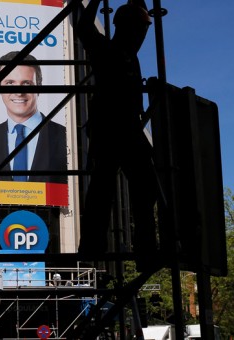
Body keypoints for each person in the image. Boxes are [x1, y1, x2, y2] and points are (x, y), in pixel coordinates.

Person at [76, 0, 159, 265]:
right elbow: (83, 28)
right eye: (140, 30)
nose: (143, 36)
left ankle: (145, 247)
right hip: (111, 130)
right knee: (103, 191)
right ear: (127, 28)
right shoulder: (107, 49)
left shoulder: (129, 56)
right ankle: (93, 247)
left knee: (145, 188)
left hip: (128, 129)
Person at [0, 51, 67, 184]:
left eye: (27, 83)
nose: (19, 92)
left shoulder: (65, 136)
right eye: (10, 83)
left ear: (39, 88)